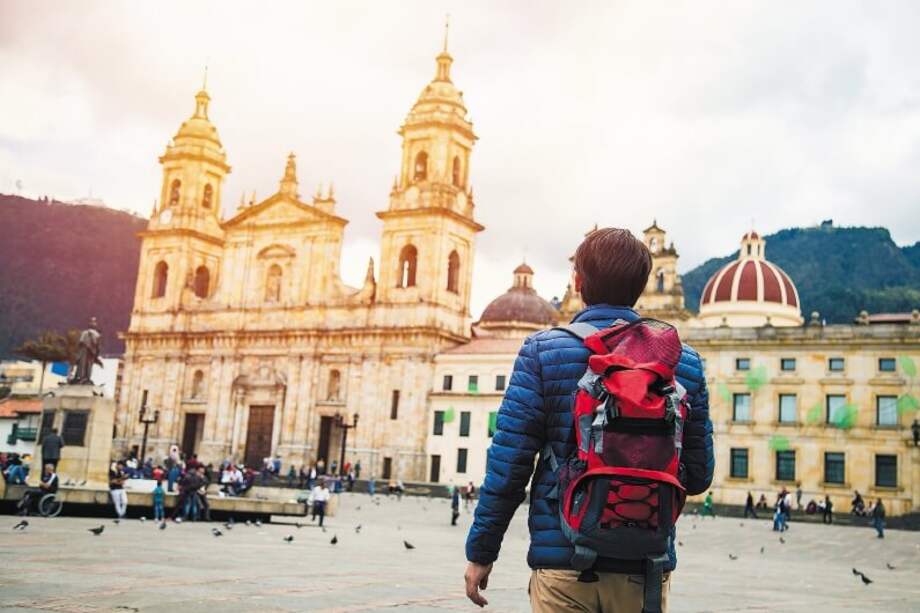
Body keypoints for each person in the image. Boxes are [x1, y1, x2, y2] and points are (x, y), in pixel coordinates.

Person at [464, 228, 714, 612]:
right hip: (645, 567)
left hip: (562, 562)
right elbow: (698, 476)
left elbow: (509, 464)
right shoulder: (685, 362)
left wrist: (482, 550)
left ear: (578, 282)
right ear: (642, 286)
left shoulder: (540, 351)